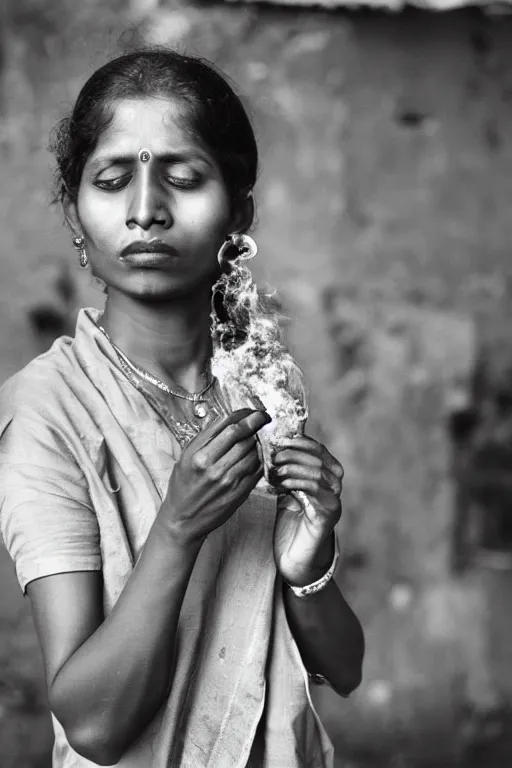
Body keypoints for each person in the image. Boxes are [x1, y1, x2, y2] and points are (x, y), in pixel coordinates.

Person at [0, 49, 364, 768]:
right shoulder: (46, 410)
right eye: (111, 182)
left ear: (238, 212)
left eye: (184, 178)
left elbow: (344, 670)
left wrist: (306, 569)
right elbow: (95, 728)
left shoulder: (259, 391)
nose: (145, 211)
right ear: (76, 215)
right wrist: (178, 528)